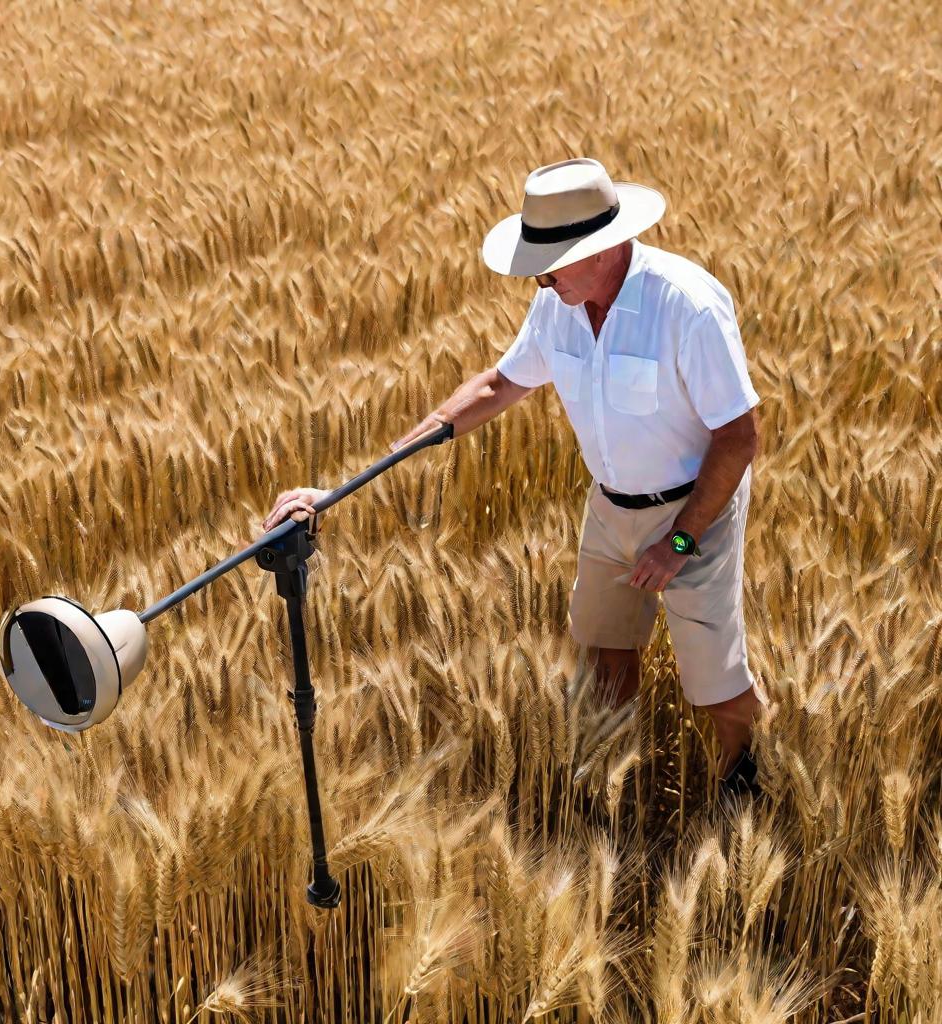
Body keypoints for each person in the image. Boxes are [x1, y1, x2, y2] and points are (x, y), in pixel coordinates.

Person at [262, 157, 766, 800]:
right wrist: (372, 470)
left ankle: (749, 786)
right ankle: (614, 791)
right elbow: (501, 383)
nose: (537, 281)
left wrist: (679, 543)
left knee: (713, 680)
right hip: (610, 507)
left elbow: (740, 437)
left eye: (547, 264)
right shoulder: (562, 303)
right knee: (605, 652)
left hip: (696, 510)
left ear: (600, 248)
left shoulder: (685, 306)